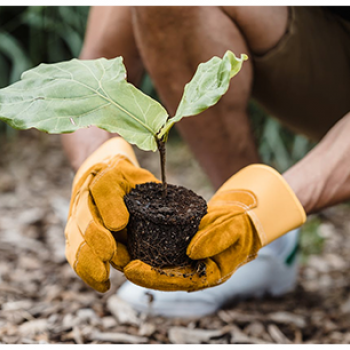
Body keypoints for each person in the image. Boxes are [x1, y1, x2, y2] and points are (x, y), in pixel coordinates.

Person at [62, 6, 350, 317]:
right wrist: (97, 162)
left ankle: (258, 238)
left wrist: (273, 204)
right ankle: (257, 249)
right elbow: (90, 78)